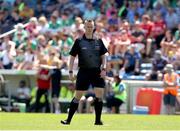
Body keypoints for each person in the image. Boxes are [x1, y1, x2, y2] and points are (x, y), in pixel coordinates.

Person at [61, 19, 108, 125]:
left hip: (97, 71)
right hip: (83, 71)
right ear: (84, 27)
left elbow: (104, 56)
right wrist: (70, 72)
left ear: (94, 27)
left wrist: (104, 68)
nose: (89, 28)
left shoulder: (99, 40)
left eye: (91, 26)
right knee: (78, 96)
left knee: (99, 95)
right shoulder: (79, 41)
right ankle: (68, 120)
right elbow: (72, 57)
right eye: (87, 26)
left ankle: (97, 121)